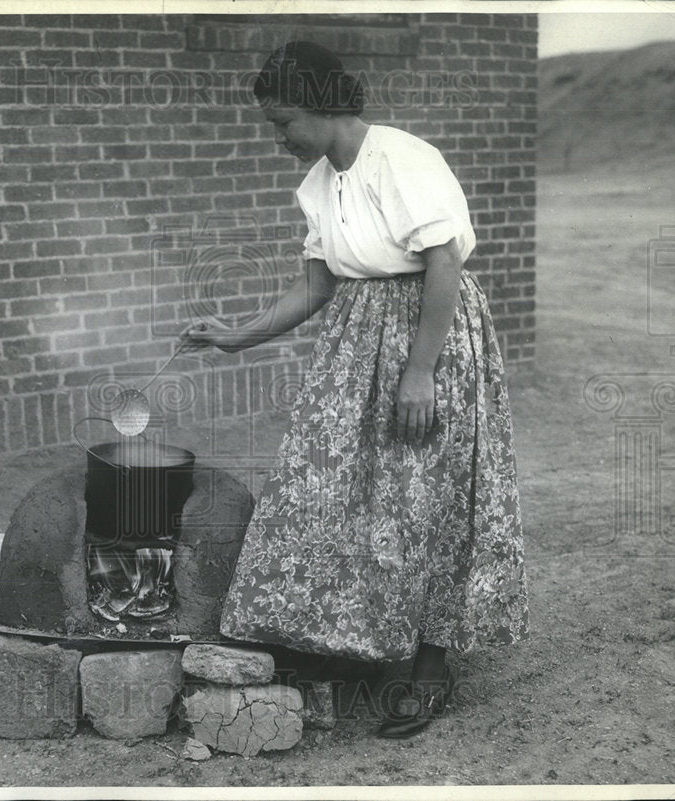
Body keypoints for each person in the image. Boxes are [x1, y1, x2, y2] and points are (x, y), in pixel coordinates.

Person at [179, 41, 529, 738]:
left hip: (430, 331)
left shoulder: (401, 157)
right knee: (331, 481)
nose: (279, 138)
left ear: (322, 106)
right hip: (356, 342)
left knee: (429, 492)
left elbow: (444, 260)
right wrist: (235, 335)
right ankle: (352, 635)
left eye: (284, 123)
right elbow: (317, 283)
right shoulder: (319, 182)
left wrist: (421, 369)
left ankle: (431, 663)